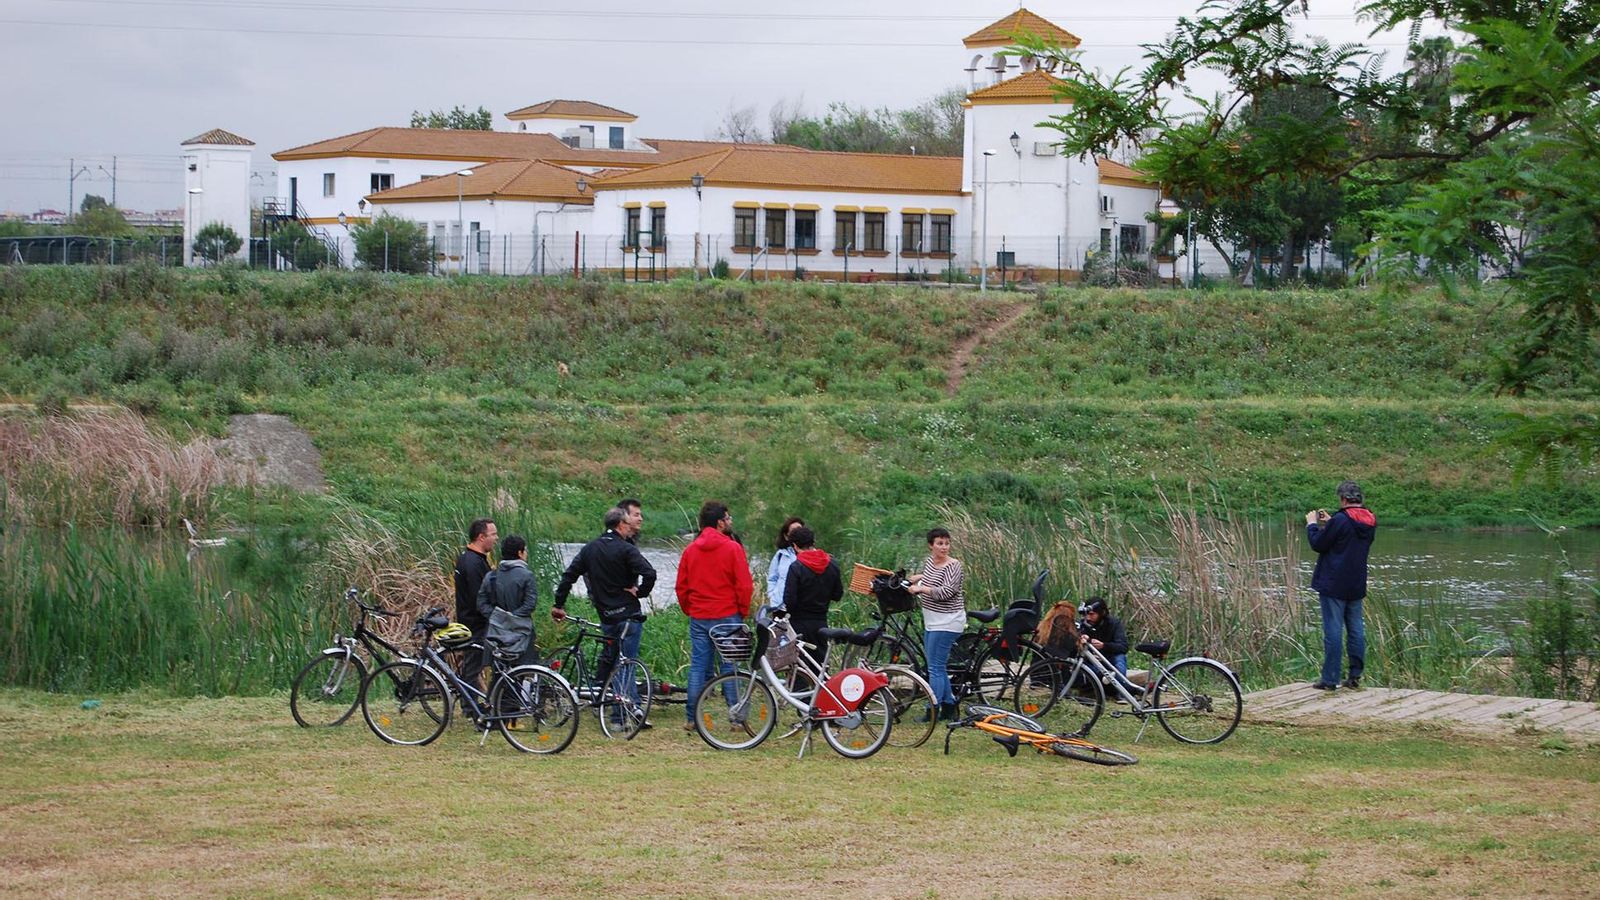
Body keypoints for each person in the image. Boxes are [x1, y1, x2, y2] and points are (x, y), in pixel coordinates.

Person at [552, 507, 657, 720]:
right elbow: (650, 573)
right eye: (627, 524)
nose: (630, 528)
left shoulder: (590, 549)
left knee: (616, 662)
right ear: (620, 525)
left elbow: (568, 576)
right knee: (626, 663)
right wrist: (640, 592)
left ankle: (624, 709)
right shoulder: (626, 549)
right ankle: (622, 714)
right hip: (628, 614)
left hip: (607, 616)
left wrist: (559, 604)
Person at [676, 501, 753, 732]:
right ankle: (736, 719)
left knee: (698, 666)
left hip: (700, 615)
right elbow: (744, 585)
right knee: (730, 666)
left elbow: (681, 586)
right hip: (728, 614)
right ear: (720, 523)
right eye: (728, 518)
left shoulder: (690, 550)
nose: (730, 522)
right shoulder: (733, 548)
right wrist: (742, 611)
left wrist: (690, 608)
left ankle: (692, 718)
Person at [1306, 480, 1377, 690]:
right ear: (1359, 498)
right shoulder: (1370, 519)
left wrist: (1312, 525)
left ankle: (1330, 679)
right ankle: (1355, 676)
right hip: (1356, 583)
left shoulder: (1340, 520)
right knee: (1356, 629)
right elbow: (1349, 536)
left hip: (1334, 583)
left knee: (1333, 630)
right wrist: (1331, 522)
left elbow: (1318, 544)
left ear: (1344, 499)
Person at [907, 527, 964, 721]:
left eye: (947, 543)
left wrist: (921, 589)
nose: (944, 547)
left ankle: (932, 709)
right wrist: (919, 577)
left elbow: (947, 591)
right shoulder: (931, 562)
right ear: (931, 545)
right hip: (932, 620)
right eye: (940, 543)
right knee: (936, 666)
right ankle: (949, 706)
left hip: (948, 621)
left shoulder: (954, 565)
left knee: (935, 668)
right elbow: (932, 576)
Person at [779, 525, 843, 664]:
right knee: (820, 666)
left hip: (799, 623)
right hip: (821, 621)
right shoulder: (832, 564)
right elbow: (838, 594)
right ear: (813, 542)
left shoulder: (796, 567)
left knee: (800, 666)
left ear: (795, 546)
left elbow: (790, 601)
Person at [475, 534, 540, 666]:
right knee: (523, 670)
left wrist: (497, 617)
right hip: (522, 634)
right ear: (520, 553)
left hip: (496, 633)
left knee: (499, 671)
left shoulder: (491, 576)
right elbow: (530, 604)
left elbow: (481, 603)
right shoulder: (527, 576)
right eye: (525, 550)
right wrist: (513, 618)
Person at [452, 517, 496, 686]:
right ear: (481, 537)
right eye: (493, 534)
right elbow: (479, 598)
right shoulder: (473, 563)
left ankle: (479, 697)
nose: (496, 538)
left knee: (475, 665)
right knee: (472, 668)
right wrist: (493, 615)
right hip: (475, 624)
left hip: (473, 621)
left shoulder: (471, 558)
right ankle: (469, 701)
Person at [1077, 597, 1138, 698]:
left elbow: (1123, 647)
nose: (1088, 618)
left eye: (1092, 614)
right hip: (1092, 661)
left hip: (1110, 658)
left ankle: (1121, 692)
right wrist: (1081, 640)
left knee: (1120, 658)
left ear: (1102, 613)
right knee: (1082, 663)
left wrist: (1104, 646)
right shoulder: (1083, 624)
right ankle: (1123, 689)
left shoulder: (1114, 624)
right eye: (1086, 614)